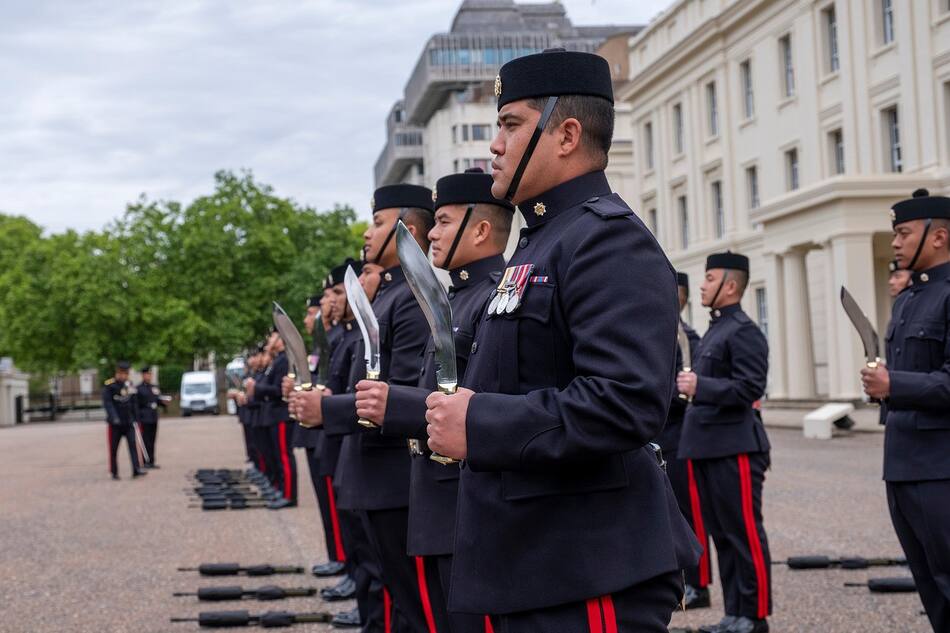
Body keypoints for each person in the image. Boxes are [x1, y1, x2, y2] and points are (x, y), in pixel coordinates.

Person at [423, 49, 700, 632]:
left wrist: (478, 425)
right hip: (532, 564)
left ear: (567, 134)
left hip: (585, 570)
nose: (494, 145)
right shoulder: (543, 243)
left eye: (511, 124)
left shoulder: (606, 240)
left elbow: (626, 402)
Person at [356, 168, 512, 633]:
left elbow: (483, 401)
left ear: (481, 229)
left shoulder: (494, 297)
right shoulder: (455, 297)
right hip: (435, 500)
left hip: (462, 501)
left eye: (443, 222)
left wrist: (394, 406)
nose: (433, 234)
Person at [291, 183, 437, 633]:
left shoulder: (411, 302)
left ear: (407, 230)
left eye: (377, 222)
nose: (367, 233)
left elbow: (404, 395)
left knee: (409, 606)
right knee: (387, 594)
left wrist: (327, 409)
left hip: (392, 478)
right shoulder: (386, 301)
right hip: (369, 474)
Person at [862, 188, 950, 632]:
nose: (894, 243)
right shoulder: (910, 299)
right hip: (902, 463)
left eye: (903, 233)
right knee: (930, 586)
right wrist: (885, 389)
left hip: (940, 468)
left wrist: (894, 382)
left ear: (938, 236)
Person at [677, 252, 771, 633]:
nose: (702, 284)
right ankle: (735, 612)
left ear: (730, 286)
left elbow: (751, 387)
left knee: (744, 533)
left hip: (735, 445)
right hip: (706, 445)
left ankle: (754, 613)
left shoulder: (743, 330)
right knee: (722, 535)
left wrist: (702, 386)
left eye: (710, 277)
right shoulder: (716, 330)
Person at [658, 272, 711, 609]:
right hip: (660, 436)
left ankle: (698, 583)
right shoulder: (662, 333)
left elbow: (684, 393)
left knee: (689, 515)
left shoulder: (684, 337)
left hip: (678, 436)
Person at [102, 360, 146, 480]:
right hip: (115, 424)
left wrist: (137, 419)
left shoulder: (130, 385)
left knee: (133, 446)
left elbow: (134, 403)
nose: (123, 376)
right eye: (121, 373)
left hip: (128, 422)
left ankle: (136, 469)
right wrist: (114, 417)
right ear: (117, 373)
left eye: (126, 374)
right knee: (113, 448)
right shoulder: (110, 385)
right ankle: (114, 472)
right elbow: (108, 404)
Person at [135, 366, 166, 468]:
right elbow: (137, 404)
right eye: (146, 374)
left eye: (150, 374)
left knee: (152, 440)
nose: (148, 376)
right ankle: (145, 461)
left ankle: (151, 460)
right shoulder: (138, 388)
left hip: (153, 416)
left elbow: (158, 400)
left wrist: (163, 402)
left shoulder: (154, 387)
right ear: (143, 375)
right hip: (144, 417)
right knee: (145, 440)